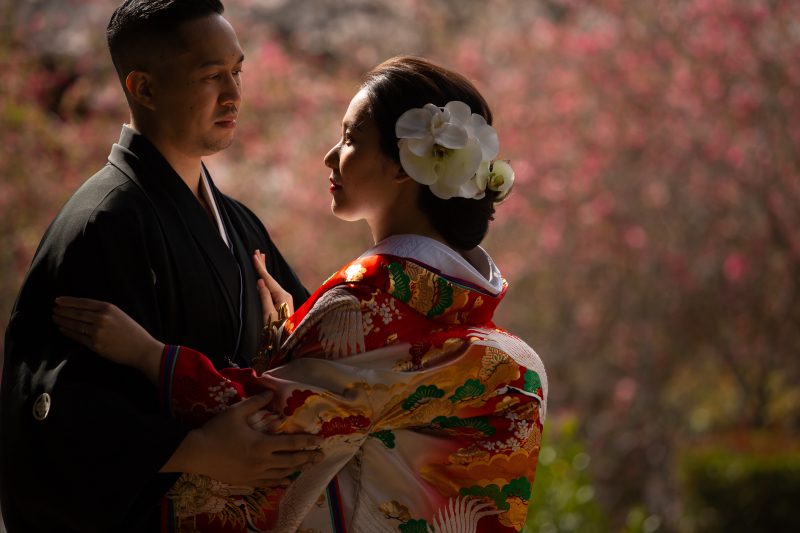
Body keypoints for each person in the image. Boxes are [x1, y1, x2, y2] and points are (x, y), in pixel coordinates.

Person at [53, 57, 548, 533]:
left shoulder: (368, 302)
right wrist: (295, 333)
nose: (331, 155)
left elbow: (263, 431)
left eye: (351, 139)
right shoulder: (461, 304)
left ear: (405, 166)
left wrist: (149, 355)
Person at [0, 1, 323, 532]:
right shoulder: (103, 223)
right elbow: (57, 410)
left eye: (237, 71)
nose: (235, 95)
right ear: (144, 88)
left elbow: (319, 355)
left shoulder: (240, 224)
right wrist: (193, 451)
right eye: (210, 76)